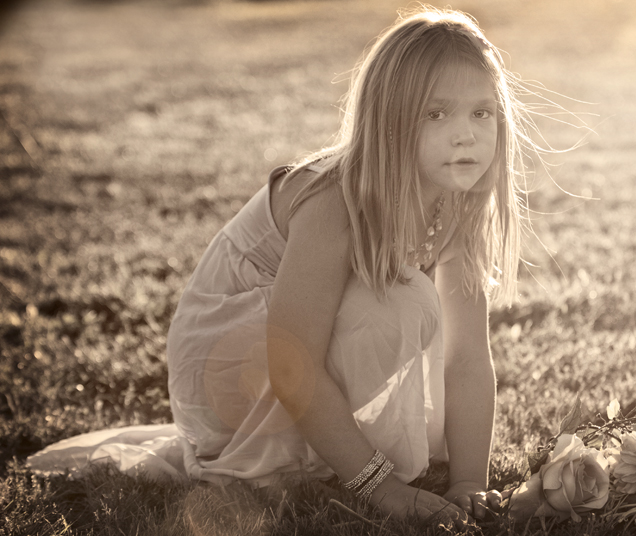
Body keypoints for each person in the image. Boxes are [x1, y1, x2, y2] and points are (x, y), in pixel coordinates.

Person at [30, 6, 532, 526]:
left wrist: (470, 481)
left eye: (481, 112)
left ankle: (326, 446)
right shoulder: (338, 197)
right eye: (435, 113)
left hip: (296, 353)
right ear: (389, 122)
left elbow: (468, 358)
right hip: (228, 359)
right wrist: (383, 490)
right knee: (400, 306)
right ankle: (301, 455)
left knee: (403, 313)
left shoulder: (461, 200)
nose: (466, 135)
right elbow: (292, 364)